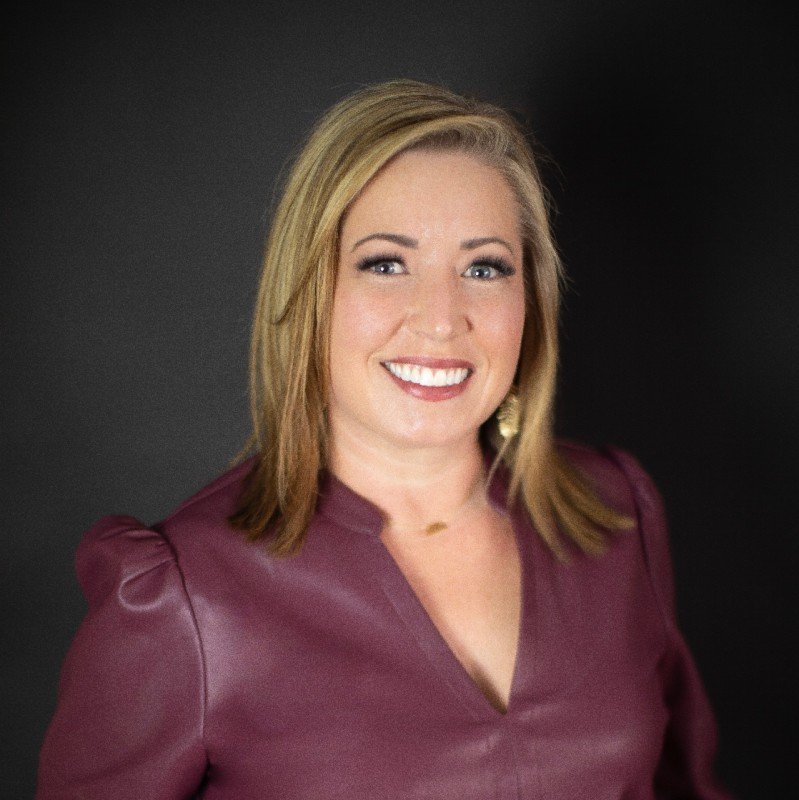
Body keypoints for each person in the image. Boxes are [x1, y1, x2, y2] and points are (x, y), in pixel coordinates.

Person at [37, 80, 732, 799]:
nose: (439, 318)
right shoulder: (181, 597)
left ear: (531, 302)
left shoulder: (615, 512)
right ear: (310, 291)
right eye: (385, 263)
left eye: (483, 267)